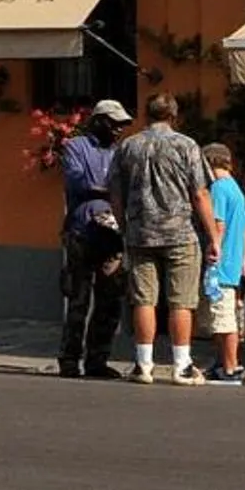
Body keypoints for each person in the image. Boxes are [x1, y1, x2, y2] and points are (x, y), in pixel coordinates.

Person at [108, 92, 217, 384]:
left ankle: (144, 364)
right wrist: (213, 236)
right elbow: (200, 193)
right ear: (173, 115)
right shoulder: (187, 146)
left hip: (140, 233)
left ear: (146, 114)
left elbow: (116, 195)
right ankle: (181, 365)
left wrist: (124, 226)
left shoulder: (128, 146)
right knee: (181, 301)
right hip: (180, 233)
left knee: (144, 300)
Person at [57, 98, 131, 378]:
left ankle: (97, 359)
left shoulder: (121, 152)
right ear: (99, 121)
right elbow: (77, 181)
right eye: (113, 124)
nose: (118, 130)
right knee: (79, 298)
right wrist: (109, 192)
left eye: (121, 126)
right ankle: (69, 358)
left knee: (110, 298)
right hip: (82, 230)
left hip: (112, 232)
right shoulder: (76, 147)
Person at [200, 141, 245, 384]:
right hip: (234, 262)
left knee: (223, 318)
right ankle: (223, 361)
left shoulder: (219, 189)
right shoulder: (236, 188)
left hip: (221, 264)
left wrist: (212, 246)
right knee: (227, 314)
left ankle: (231, 367)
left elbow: (219, 224)